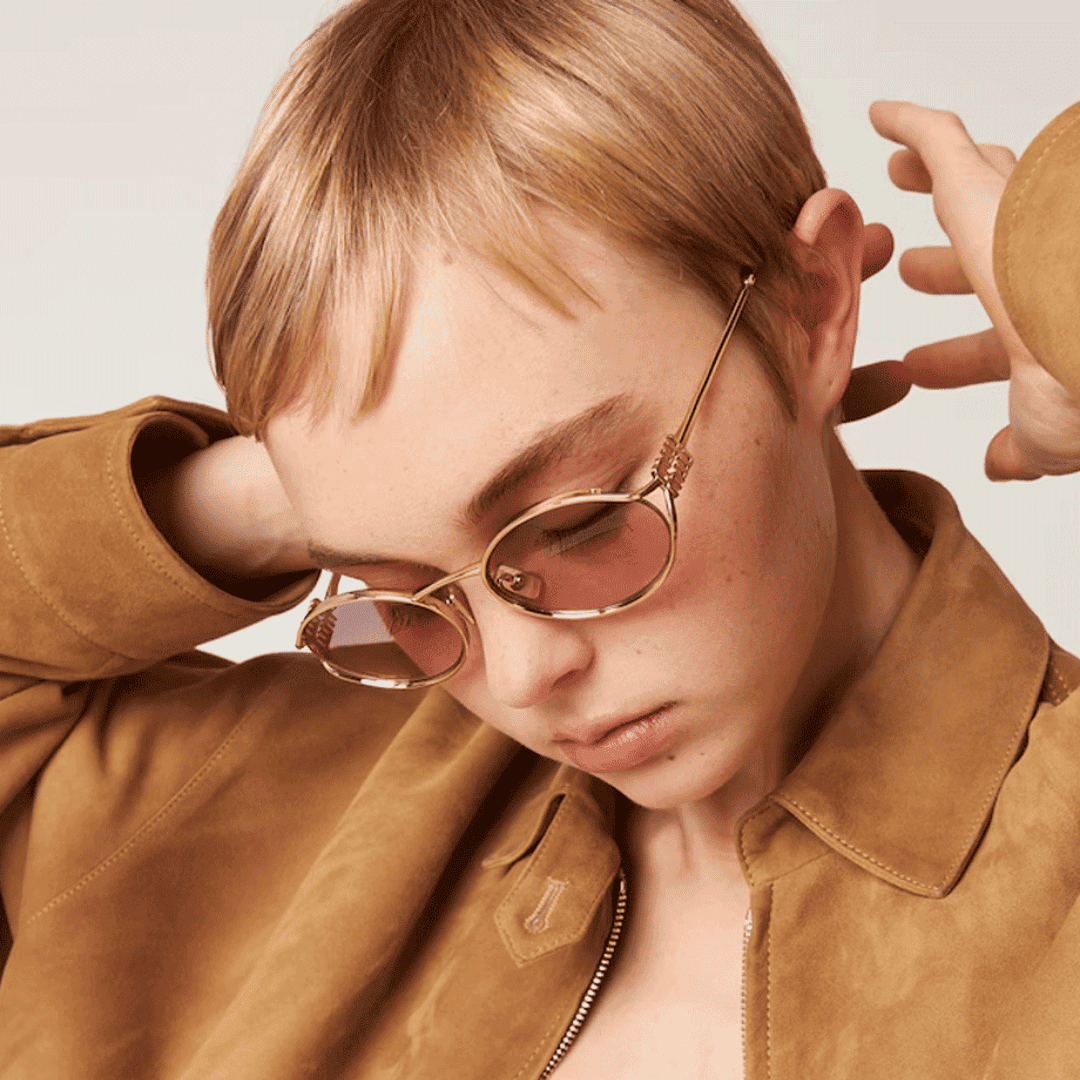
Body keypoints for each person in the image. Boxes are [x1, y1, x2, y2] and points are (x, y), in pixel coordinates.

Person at [1, 1, 1078, 1077]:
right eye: (406, 599)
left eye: (578, 522)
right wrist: (288, 494)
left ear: (813, 306)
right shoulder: (253, 810)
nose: (519, 679)